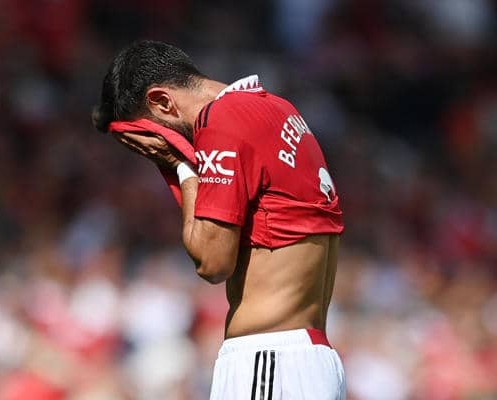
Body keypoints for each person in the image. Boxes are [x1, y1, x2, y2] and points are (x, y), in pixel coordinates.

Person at [91, 40, 346, 400]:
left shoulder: (221, 119)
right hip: (311, 359)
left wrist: (179, 166)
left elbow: (213, 262)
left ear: (162, 102)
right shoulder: (278, 108)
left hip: (269, 360)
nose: (155, 146)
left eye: (151, 135)